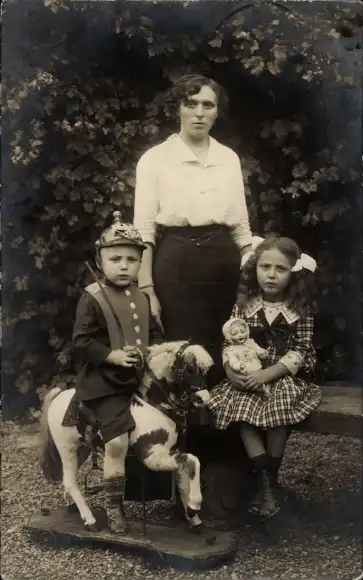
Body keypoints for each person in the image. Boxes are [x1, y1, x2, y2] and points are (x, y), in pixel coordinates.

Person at [133, 73, 253, 387]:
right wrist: (146, 288)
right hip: (176, 261)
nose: (199, 112)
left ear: (217, 112)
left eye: (208, 105)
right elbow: (144, 230)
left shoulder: (228, 159)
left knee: (225, 342)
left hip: (223, 261)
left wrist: (250, 273)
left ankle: (224, 434)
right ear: (179, 109)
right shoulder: (155, 159)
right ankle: (185, 434)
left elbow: (241, 227)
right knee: (182, 348)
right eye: (191, 103)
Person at [207, 235, 322, 520]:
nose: (271, 275)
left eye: (280, 269)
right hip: (249, 372)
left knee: (280, 409)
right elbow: (229, 341)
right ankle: (265, 484)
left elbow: (302, 350)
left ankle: (271, 480)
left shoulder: (300, 309)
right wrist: (232, 370)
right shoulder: (245, 305)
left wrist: (268, 373)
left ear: (293, 273)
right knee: (240, 409)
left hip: (283, 374)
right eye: (265, 267)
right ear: (254, 268)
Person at [72, 212, 162, 534]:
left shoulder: (141, 296)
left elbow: (153, 335)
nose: (123, 265)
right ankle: (114, 507)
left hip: (138, 380)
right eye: (115, 258)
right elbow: (81, 342)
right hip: (104, 383)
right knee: (118, 442)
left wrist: (157, 354)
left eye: (131, 259)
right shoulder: (92, 296)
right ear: (101, 260)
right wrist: (111, 356)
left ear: (140, 263)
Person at [221, 317, 271, 399]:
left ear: (246, 331)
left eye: (242, 331)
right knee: (248, 384)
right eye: (235, 334)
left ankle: (266, 389)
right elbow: (233, 362)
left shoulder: (251, 342)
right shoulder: (231, 350)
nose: (240, 335)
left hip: (258, 369)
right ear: (229, 336)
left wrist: (262, 353)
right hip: (246, 373)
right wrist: (238, 366)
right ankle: (258, 393)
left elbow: (258, 349)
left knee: (264, 380)